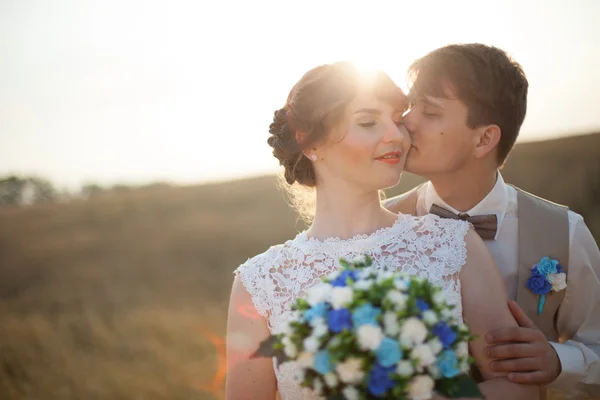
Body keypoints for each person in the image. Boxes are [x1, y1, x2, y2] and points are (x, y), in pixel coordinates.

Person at [225, 61, 537, 400]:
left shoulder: (453, 244)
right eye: (368, 122)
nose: (396, 135)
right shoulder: (260, 282)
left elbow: (520, 386)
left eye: (397, 120)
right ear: (309, 142)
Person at [384, 43, 600, 399]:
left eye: (430, 112)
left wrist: (559, 361)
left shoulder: (566, 232)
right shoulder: (382, 224)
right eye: (410, 106)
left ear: (484, 138)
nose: (406, 122)